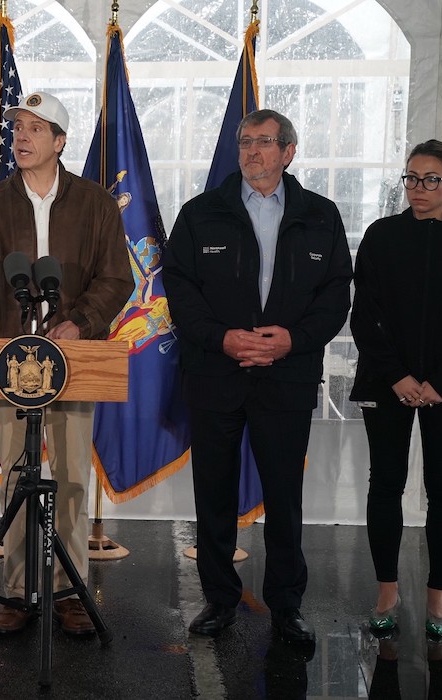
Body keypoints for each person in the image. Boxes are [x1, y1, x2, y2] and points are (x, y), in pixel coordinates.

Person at [0, 91, 133, 637]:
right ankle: (18, 591)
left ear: (60, 142)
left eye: (36, 129)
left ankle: (67, 592)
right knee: (18, 475)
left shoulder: (95, 203)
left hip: (76, 359)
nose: (21, 136)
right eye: (17, 127)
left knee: (68, 478)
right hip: (9, 363)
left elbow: (117, 279)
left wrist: (79, 323)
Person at [162, 109, 352, 644]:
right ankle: (219, 601)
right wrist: (222, 338)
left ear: (289, 151)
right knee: (214, 495)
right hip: (215, 375)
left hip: (286, 377)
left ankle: (287, 607)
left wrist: (293, 340)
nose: (252, 152)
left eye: (265, 142)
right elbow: (179, 290)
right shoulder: (201, 214)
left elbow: (337, 293)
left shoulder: (321, 215)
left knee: (285, 498)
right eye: (245, 142)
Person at [350, 139, 442, 640]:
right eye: (411, 178)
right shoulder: (381, 236)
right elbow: (363, 316)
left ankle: (438, 596)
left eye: (430, 179)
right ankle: (387, 590)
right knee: (385, 483)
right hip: (387, 380)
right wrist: (398, 377)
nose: (418, 188)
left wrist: (441, 382)